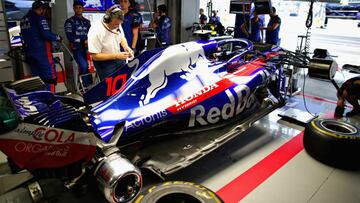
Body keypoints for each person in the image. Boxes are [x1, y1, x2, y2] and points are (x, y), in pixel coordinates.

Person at [20, 1, 62, 92]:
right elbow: (46, 34)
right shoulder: (39, 18)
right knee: (50, 77)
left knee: (37, 80)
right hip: (42, 54)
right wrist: (57, 37)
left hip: (30, 53)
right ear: (40, 9)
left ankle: (41, 101)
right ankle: (51, 101)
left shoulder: (23, 20)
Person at [88, 5, 133, 80]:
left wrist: (126, 47)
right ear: (108, 20)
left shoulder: (117, 23)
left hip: (118, 57)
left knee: (126, 79)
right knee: (110, 87)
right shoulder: (96, 31)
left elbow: (121, 37)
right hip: (104, 63)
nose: (117, 27)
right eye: (115, 25)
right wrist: (116, 56)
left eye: (119, 24)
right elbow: (95, 56)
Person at [64, 1, 91, 85]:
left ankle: (90, 84)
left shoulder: (87, 22)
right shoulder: (69, 21)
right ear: (74, 9)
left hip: (88, 48)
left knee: (93, 67)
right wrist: (83, 41)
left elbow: (91, 35)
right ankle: (84, 86)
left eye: (80, 7)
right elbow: (70, 37)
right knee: (84, 66)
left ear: (83, 8)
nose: (78, 9)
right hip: (77, 49)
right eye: (76, 7)